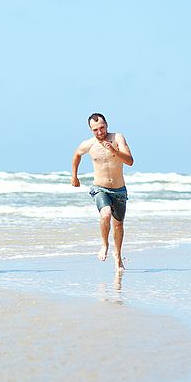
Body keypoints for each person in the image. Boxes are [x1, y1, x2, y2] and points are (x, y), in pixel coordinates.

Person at [71, 113, 134, 270]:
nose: (99, 132)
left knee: (118, 225)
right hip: (100, 188)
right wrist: (74, 177)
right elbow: (77, 154)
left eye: (102, 128)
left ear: (107, 124)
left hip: (119, 190)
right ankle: (104, 245)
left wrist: (115, 151)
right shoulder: (89, 144)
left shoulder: (117, 138)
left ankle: (118, 256)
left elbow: (130, 161)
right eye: (95, 130)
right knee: (105, 214)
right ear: (91, 130)